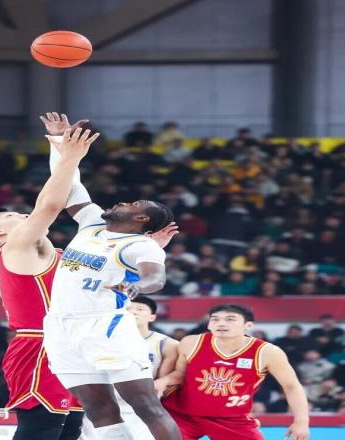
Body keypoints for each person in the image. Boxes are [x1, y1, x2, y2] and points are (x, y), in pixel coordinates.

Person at [43, 115, 181, 439]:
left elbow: (155, 277)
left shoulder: (140, 245)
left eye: (133, 203)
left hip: (103, 325)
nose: (122, 202)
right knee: (98, 410)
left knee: (145, 405)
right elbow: (68, 183)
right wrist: (60, 142)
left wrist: (136, 286)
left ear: (142, 218)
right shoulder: (92, 222)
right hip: (60, 325)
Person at [0, 125, 100, 440]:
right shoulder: (14, 248)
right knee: (41, 429)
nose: (22, 215)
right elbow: (50, 205)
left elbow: (71, 194)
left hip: (73, 345)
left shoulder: (62, 256)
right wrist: (70, 156)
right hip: (39, 346)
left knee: (70, 431)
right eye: (10, 216)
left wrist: (59, 147)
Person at [156, 304, 309, 440]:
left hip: (231, 419)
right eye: (215, 319)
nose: (221, 323)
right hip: (182, 415)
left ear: (248, 325)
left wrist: (301, 422)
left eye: (230, 319)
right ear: (209, 324)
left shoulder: (267, 352)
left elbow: (292, 386)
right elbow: (180, 374)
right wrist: (163, 381)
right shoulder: (191, 342)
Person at [81, 295, 179, 439]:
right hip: (103, 405)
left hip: (139, 408)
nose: (133, 312)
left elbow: (163, 382)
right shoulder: (100, 340)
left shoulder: (166, 344)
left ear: (152, 317)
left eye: (140, 309)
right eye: (128, 309)